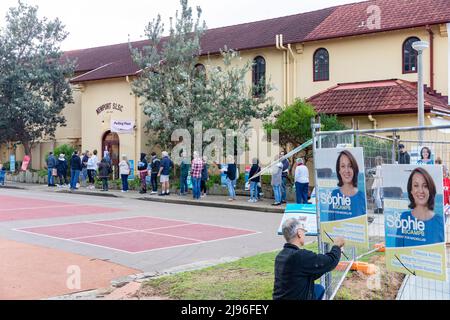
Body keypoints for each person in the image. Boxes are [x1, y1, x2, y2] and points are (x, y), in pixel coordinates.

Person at [273, 218, 344, 300]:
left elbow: (308, 273)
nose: (305, 234)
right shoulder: (300, 256)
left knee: (318, 289)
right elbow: (330, 261)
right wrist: (337, 246)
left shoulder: (281, 256)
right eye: (304, 230)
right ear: (299, 233)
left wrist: (335, 255)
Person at [395, 167, 445, 247]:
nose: (421, 190)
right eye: (416, 185)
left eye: (425, 186)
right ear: (411, 190)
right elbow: (397, 251)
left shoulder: (439, 221)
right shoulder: (404, 218)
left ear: (430, 190)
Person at [327, 150, 366, 221]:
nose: (346, 170)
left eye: (350, 166)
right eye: (343, 166)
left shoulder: (362, 196)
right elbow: (330, 222)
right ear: (339, 171)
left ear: (354, 169)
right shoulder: (334, 195)